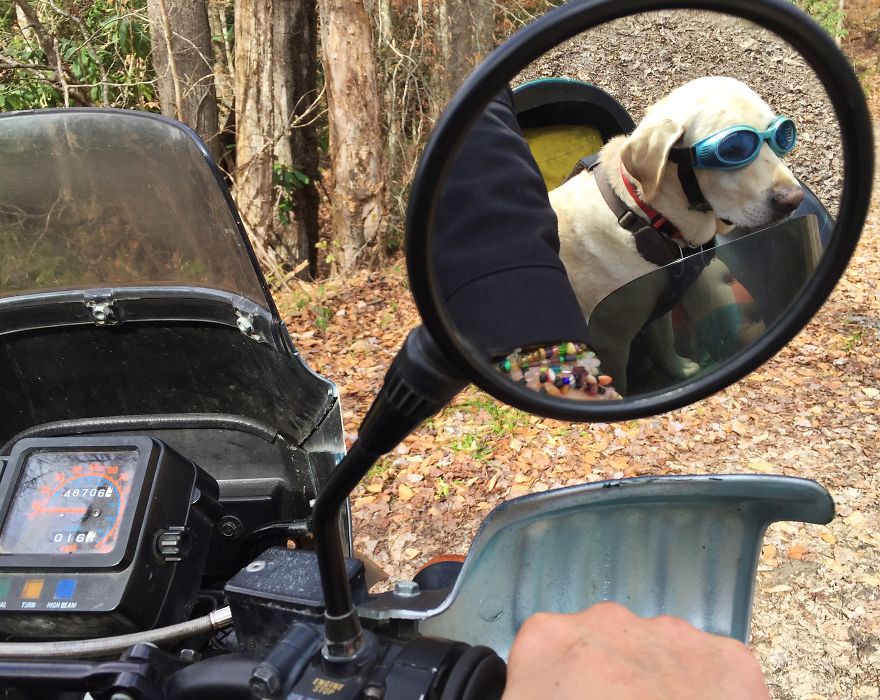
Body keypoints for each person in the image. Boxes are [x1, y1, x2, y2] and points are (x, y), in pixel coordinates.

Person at [433, 88, 771, 697]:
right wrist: (602, 399)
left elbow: (649, 296)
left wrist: (666, 362)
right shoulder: (592, 225)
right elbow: (603, 332)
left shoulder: (666, 220)